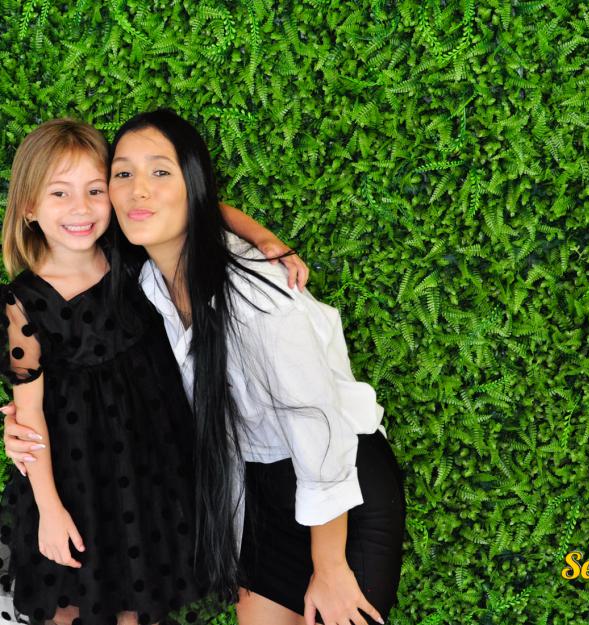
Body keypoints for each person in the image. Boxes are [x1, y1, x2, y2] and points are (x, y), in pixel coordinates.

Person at [5, 109, 406, 625]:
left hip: (342, 491)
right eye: (123, 174)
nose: (139, 191)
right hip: (259, 494)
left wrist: (330, 567)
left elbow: (320, 436)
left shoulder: (260, 298)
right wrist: (23, 429)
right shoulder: (142, 278)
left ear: (189, 183)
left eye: (160, 171)